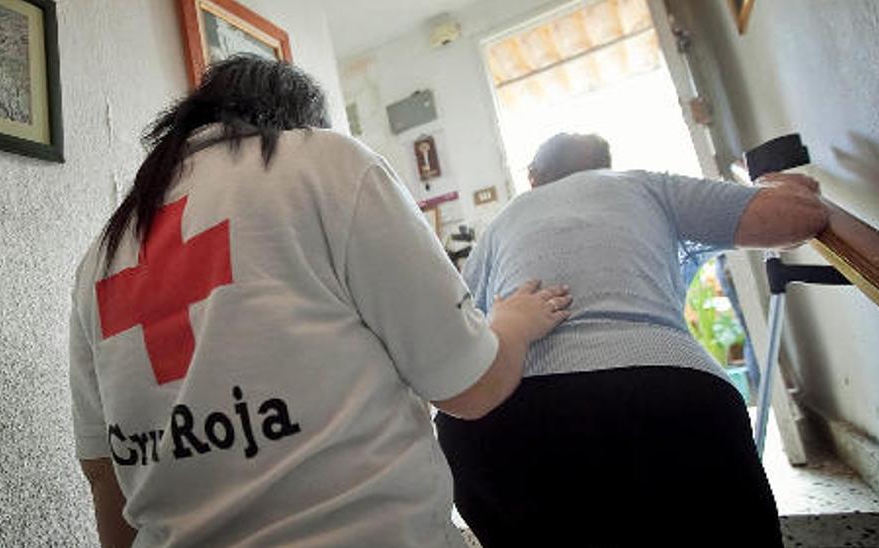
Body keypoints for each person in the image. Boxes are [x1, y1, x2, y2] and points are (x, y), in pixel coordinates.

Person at [68, 56, 571, 548]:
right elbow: (472, 387)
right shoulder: (324, 162)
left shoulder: (101, 254)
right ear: (298, 122)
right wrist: (514, 322)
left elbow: (104, 477)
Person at [437, 133, 829, 547]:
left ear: (534, 177)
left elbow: (459, 336)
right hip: (666, 400)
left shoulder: (504, 221)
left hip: (499, 428)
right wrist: (780, 186)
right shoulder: (643, 185)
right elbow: (798, 217)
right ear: (606, 163)